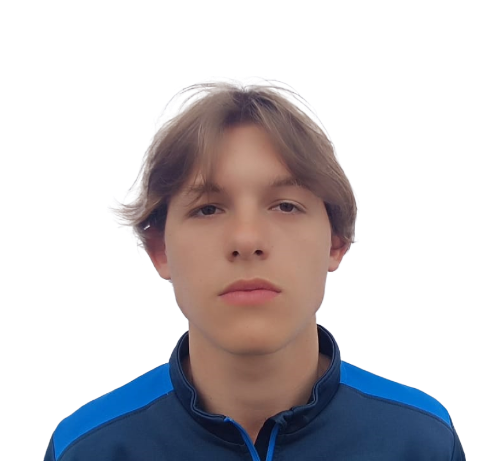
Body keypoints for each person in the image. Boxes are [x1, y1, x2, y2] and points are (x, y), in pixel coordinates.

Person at [43, 76, 465, 460]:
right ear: (160, 248)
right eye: (208, 208)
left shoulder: (422, 440)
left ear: (336, 241)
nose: (247, 240)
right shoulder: (87, 448)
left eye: (286, 206)